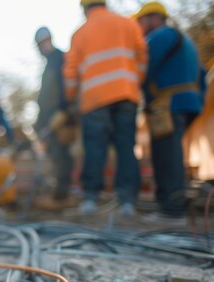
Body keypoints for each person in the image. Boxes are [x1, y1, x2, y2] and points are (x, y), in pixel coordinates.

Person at [64, 0, 148, 215]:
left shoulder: (80, 33)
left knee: (95, 148)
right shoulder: (127, 24)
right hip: (126, 93)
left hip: (95, 99)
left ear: (84, 8)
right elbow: (142, 56)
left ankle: (90, 197)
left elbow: (71, 72)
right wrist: (132, 82)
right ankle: (127, 200)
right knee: (125, 146)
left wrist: (71, 98)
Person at [133, 1, 207, 224]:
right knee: (174, 153)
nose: (140, 26)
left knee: (167, 156)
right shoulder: (188, 42)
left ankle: (172, 211)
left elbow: (142, 69)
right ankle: (174, 207)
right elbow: (202, 77)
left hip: (168, 105)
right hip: (189, 104)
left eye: (141, 21)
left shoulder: (158, 38)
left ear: (154, 18)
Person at [33, 26, 74, 208]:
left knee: (61, 153)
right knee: (53, 153)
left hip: (59, 115)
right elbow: (45, 96)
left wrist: (65, 111)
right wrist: (39, 122)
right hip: (50, 117)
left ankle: (61, 194)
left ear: (46, 41)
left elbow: (66, 87)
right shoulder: (50, 62)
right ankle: (57, 191)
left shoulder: (59, 59)